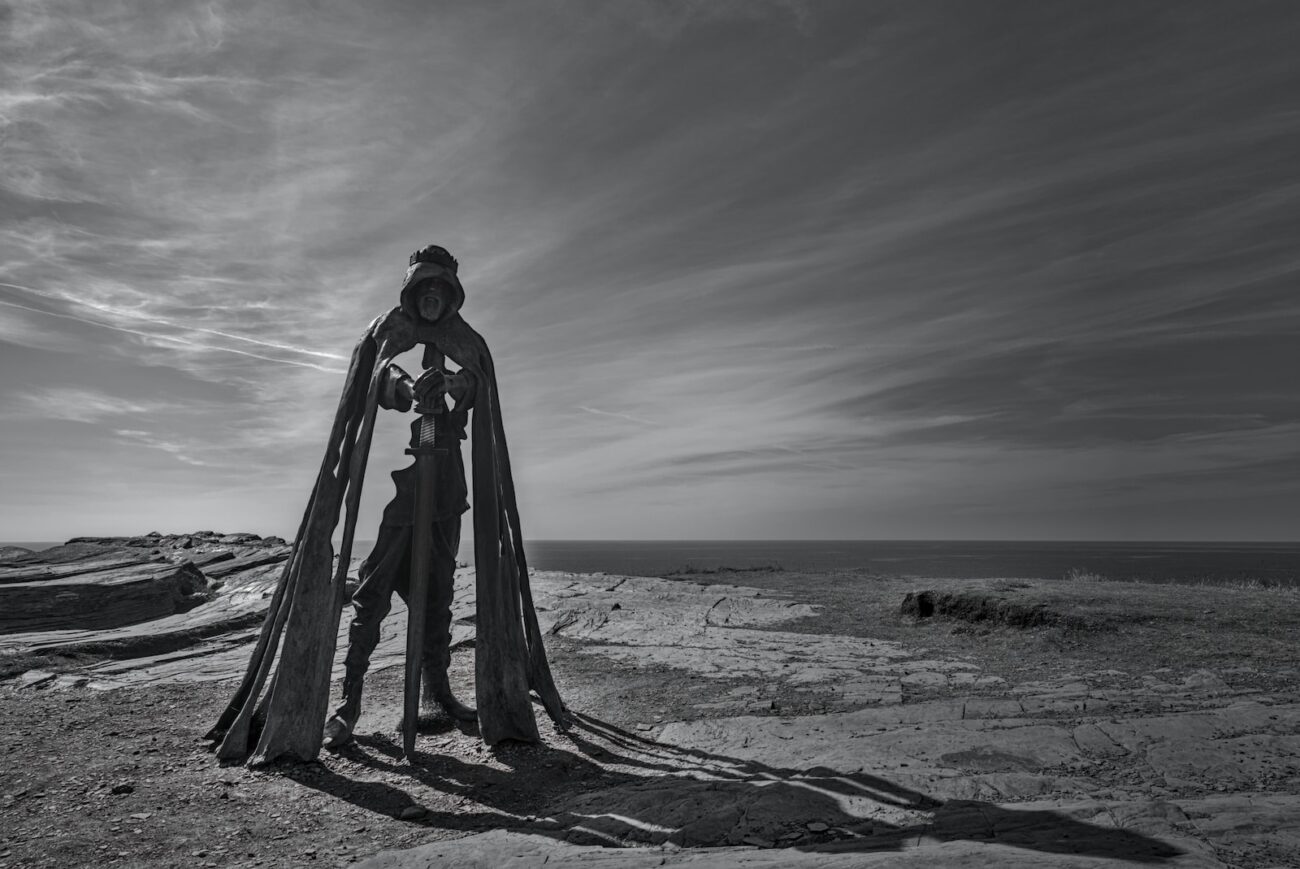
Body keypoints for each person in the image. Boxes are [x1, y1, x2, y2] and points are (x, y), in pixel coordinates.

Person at [324, 244, 478, 749]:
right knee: (372, 597)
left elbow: (477, 385)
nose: (431, 298)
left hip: (448, 489)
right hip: (411, 490)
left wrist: (454, 384)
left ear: (451, 295)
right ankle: (349, 702)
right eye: (424, 289)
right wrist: (412, 389)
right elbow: (378, 374)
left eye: (441, 290)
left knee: (438, 601)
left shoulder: (464, 340)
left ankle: (437, 694)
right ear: (413, 292)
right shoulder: (390, 329)